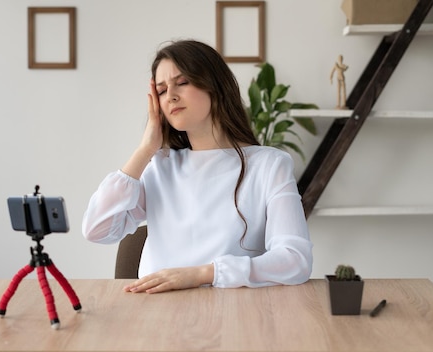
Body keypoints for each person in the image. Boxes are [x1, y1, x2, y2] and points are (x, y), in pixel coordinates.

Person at [82, 40, 313, 294]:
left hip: (232, 313)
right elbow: (97, 229)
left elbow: (295, 259)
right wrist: (145, 150)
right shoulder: (159, 166)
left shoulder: (269, 165)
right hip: (154, 315)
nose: (170, 96)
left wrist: (202, 274)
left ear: (215, 86)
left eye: (182, 83)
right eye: (160, 91)